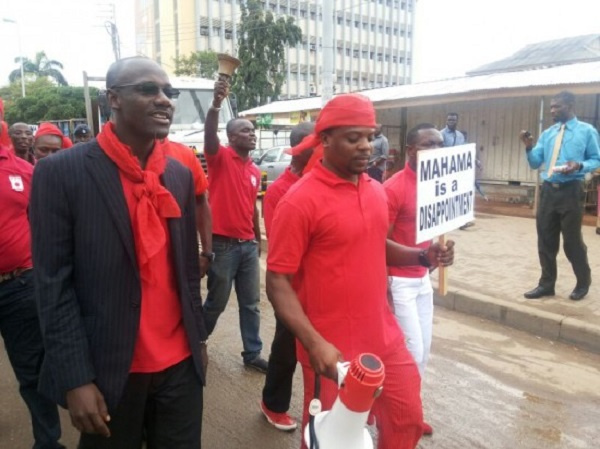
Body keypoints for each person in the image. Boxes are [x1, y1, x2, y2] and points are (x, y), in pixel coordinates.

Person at [30, 56, 208, 448]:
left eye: (169, 92)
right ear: (113, 99)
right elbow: (52, 284)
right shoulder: (61, 173)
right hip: (110, 367)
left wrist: (198, 345)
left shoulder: (177, 175)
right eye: (148, 89)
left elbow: (186, 273)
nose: (164, 100)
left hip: (179, 366)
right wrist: (75, 377)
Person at [266, 94, 454, 449]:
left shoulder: (375, 190)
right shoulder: (299, 201)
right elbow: (276, 281)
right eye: (354, 138)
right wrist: (313, 342)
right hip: (330, 347)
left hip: (382, 335)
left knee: (406, 418)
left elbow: (372, 244)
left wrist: (422, 257)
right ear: (326, 140)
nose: (366, 146)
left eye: (370, 136)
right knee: (331, 437)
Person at [384, 123, 448, 437]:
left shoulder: (439, 184)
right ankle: (392, 414)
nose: (435, 150)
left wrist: (441, 256)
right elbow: (378, 243)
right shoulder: (394, 188)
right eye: (427, 144)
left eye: (439, 144)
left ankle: (412, 412)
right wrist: (384, 289)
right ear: (410, 150)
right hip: (399, 282)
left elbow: (433, 236)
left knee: (423, 353)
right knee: (409, 355)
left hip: (423, 280)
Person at [201, 76, 268, 373]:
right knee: (216, 301)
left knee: (251, 304)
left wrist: (256, 240)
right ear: (231, 137)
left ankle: (252, 353)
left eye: (252, 130)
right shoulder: (220, 158)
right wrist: (216, 105)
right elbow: (209, 135)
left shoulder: (255, 170)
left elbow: (252, 205)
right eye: (244, 131)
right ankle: (195, 340)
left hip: (247, 248)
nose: (251, 134)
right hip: (223, 245)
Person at [1, 139, 64, 449]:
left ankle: (48, 441)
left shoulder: (22, 170)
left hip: (18, 286)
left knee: (31, 370)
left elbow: (46, 222)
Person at [260, 122, 315, 431]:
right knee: (286, 349)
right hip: (292, 287)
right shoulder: (279, 191)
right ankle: (273, 404)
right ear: (301, 148)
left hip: (322, 284)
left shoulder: (323, 181)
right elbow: (283, 249)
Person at [520, 91, 600, 301]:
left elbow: (596, 159)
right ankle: (546, 285)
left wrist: (579, 165)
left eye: (557, 106)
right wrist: (529, 146)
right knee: (546, 240)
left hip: (571, 190)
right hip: (548, 191)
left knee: (572, 242)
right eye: (551, 107)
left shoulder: (586, 131)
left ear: (570, 105)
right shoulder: (548, 133)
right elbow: (536, 162)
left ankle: (583, 282)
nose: (553, 110)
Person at [164, 139, 213, 278]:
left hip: (180, 255)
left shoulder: (184, 154)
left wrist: (207, 253)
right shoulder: (109, 155)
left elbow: (201, 202)